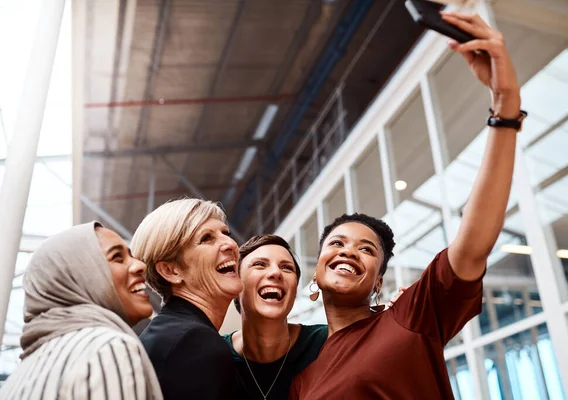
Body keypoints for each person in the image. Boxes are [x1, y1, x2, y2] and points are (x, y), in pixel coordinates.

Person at [290, 11, 525, 399]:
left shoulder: (410, 317)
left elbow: (472, 244)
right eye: (336, 243)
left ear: (379, 282)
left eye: (367, 250)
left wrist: (505, 107)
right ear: (314, 273)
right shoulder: (302, 381)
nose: (348, 250)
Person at [0, 222, 162, 400]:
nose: (140, 266)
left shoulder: (19, 377)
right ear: (78, 277)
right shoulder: (108, 348)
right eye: (117, 257)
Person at [130, 198, 243, 400]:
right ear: (170, 270)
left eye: (225, 233)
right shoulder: (193, 342)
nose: (230, 244)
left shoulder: (172, 333)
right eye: (206, 238)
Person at [222, 234, 328, 400]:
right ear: (236, 285)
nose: (275, 273)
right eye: (259, 265)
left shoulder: (327, 344)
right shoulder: (214, 356)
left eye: (287, 268)